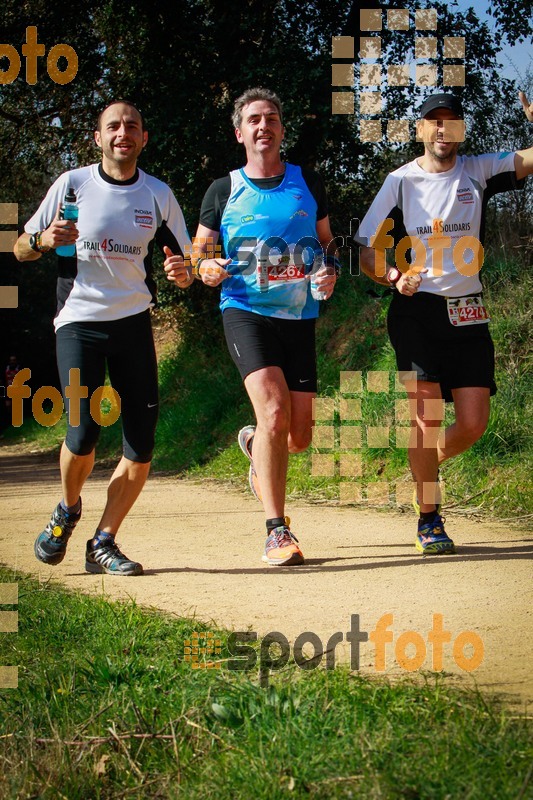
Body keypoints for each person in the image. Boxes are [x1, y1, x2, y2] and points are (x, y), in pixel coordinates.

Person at [14, 100, 192, 576]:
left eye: (132, 125)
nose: (122, 132)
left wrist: (183, 272)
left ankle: (104, 540)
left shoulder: (157, 194)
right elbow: (20, 247)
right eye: (113, 126)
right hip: (78, 321)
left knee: (142, 441)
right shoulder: (72, 184)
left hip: (133, 322)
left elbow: (187, 263)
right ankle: (68, 509)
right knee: (84, 430)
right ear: (98, 138)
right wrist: (42, 241)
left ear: (143, 138)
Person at [166, 87, 338, 566]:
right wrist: (203, 269)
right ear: (240, 132)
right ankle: (276, 530)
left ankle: (253, 442)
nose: (264, 126)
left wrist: (330, 269)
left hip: (299, 317)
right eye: (254, 120)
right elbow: (200, 253)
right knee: (275, 412)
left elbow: (328, 244)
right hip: (244, 310)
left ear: (282, 129)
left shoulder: (308, 182)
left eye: (273, 118)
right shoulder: (223, 191)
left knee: (298, 437)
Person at [356, 91, 533, 555]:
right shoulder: (400, 182)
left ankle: (421, 467)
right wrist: (394, 276)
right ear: (420, 131)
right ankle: (429, 518)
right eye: (433, 121)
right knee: (427, 417)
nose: (442, 129)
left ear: (460, 130)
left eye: (451, 121)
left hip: (468, 310)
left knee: (473, 424)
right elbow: (367, 253)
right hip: (417, 312)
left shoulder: (479, 171)